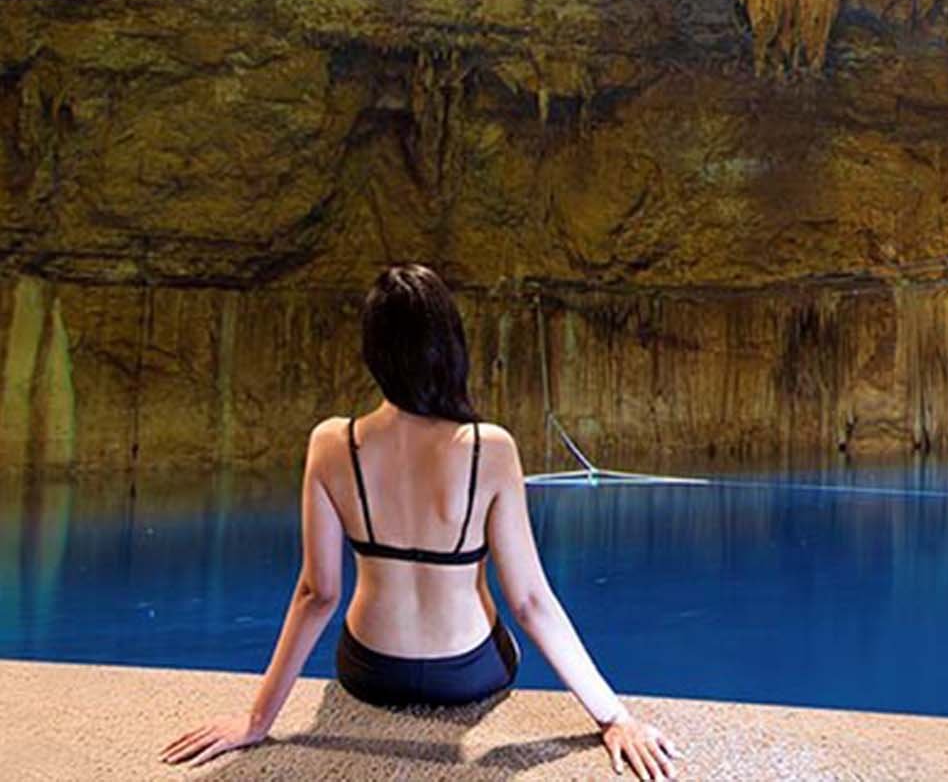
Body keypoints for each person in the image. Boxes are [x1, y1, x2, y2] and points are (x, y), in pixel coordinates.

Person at [160, 265, 678, 777]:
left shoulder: (331, 444)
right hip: (468, 672)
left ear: (374, 352)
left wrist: (257, 720)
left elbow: (317, 594)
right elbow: (529, 602)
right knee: (505, 636)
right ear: (449, 346)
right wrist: (615, 718)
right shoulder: (488, 449)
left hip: (370, 669)